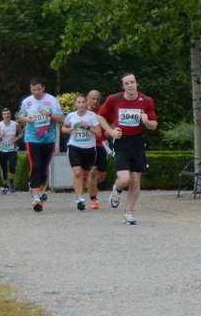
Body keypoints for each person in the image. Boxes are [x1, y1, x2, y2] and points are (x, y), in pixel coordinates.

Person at [96, 73, 157, 225]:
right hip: (121, 141)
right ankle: (117, 190)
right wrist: (110, 132)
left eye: (132, 82)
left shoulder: (146, 100)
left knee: (136, 180)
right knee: (125, 179)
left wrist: (146, 121)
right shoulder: (114, 99)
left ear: (137, 84)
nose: (130, 85)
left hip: (137, 142)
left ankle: (128, 212)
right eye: (127, 83)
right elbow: (100, 116)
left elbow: (154, 125)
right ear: (123, 86)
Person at [18, 79, 64, 212]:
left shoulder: (52, 100)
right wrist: (26, 119)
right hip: (32, 138)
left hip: (48, 138)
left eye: (38, 89)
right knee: (35, 165)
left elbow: (61, 119)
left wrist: (49, 114)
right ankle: (36, 197)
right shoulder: (27, 101)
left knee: (44, 167)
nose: (36, 92)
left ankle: (40, 188)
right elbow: (21, 115)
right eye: (33, 90)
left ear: (43, 87)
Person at [61, 95, 104, 209]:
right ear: (75, 104)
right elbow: (63, 128)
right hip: (74, 147)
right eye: (79, 102)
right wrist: (68, 130)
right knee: (77, 173)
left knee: (85, 175)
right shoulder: (71, 116)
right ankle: (79, 199)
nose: (81, 105)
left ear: (86, 103)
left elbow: (99, 134)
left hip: (89, 148)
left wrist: (88, 127)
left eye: (83, 102)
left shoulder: (92, 116)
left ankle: (82, 195)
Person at [84, 90, 108, 206]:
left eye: (97, 99)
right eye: (93, 99)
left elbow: (114, 121)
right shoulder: (83, 111)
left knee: (102, 175)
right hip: (88, 145)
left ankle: (90, 185)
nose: (95, 101)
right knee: (92, 171)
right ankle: (94, 199)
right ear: (87, 98)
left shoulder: (103, 109)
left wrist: (110, 129)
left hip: (101, 144)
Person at [0, 108, 19, 194]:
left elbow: (21, 133)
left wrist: (17, 138)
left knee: (12, 166)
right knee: (4, 168)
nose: (7, 115)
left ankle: (11, 182)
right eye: (5, 114)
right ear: (2, 115)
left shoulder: (15, 124)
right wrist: (1, 135)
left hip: (12, 149)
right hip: (2, 149)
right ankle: (4, 185)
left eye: (8, 114)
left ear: (10, 115)